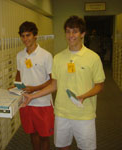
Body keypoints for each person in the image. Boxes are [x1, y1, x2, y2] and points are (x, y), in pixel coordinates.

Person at [22, 16, 105, 150]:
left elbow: (99, 85)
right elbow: (54, 85)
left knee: (87, 148)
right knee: (62, 147)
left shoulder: (93, 58)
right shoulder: (58, 58)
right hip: (61, 113)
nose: (70, 35)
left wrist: (84, 96)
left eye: (75, 31)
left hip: (83, 114)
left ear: (82, 34)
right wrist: (32, 96)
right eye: (68, 31)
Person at [16, 21, 54, 150]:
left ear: (35, 35)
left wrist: (34, 89)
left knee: (44, 136)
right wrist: (16, 87)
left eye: (28, 35)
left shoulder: (46, 55)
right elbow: (18, 75)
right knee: (32, 134)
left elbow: (52, 81)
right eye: (23, 36)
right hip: (26, 102)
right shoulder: (20, 55)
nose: (25, 39)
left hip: (42, 103)